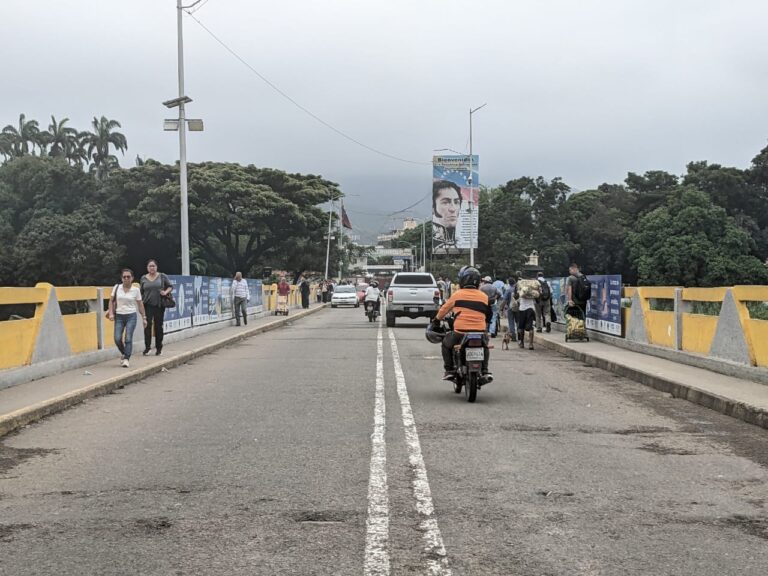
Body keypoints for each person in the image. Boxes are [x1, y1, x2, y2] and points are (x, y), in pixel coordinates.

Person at [432, 266, 492, 380]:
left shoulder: (457, 294)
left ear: (462, 280)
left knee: (446, 344)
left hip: (460, 332)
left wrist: (436, 320)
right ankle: (485, 370)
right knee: (485, 346)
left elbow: (444, 309)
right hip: (480, 331)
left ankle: (449, 369)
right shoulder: (484, 296)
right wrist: (485, 323)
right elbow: (489, 314)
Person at [107, 268, 147, 368]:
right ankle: (125, 353)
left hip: (131, 315)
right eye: (124, 277)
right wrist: (111, 313)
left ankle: (126, 359)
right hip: (119, 315)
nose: (126, 279)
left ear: (132, 278)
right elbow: (111, 301)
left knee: (128, 338)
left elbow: (140, 304)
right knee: (117, 338)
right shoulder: (117, 288)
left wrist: (144, 317)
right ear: (121, 278)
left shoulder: (136, 290)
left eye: (128, 277)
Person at [140, 259, 173, 356]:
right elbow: (141, 291)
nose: (152, 268)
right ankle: (147, 348)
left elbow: (170, 286)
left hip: (159, 305)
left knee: (158, 327)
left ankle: (159, 347)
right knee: (147, 326)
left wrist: (165, 292)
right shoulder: (143, 278)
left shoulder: (162, 276)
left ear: (156, 267)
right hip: (147, 305)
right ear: (147, 268)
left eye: (153, 266)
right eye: (150, 266)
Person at [514, 270, 541, 350]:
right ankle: (531, 344)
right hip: (531, 308)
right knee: (531, 327)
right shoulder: (534, 284)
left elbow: (516, 296)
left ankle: (521, 343)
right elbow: (538, 297)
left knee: (521, 327)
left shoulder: (520, 283)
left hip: (522, 308)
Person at [432, 180, 462, 251]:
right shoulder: (433, 241)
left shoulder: (464, 241)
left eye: (456, 202)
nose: (453, 209)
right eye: (445, 202)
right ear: (433, 207)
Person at [499, 275, 520, 340]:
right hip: (518, 308)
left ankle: (513, 336)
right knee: (518, 322)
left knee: (511, 322)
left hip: (510, 308)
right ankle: (520, 335)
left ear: (509, 282)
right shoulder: (518, 289)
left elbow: (504, 300)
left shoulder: (508, 290)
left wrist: (501, 308)